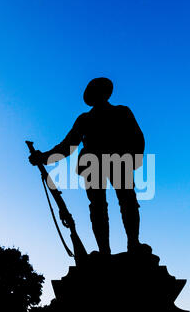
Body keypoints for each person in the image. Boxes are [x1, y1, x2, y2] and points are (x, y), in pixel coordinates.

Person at [29, 77, 145, 254]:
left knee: (127, 201)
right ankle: (104, 250)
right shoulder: (84, 119)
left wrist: (133, 161)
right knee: (99, 207)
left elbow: (137, 138)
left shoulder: (122, 112)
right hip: (93, 165)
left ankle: (133, 244)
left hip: (119, 162)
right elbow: (67, 146)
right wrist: (44, 158)